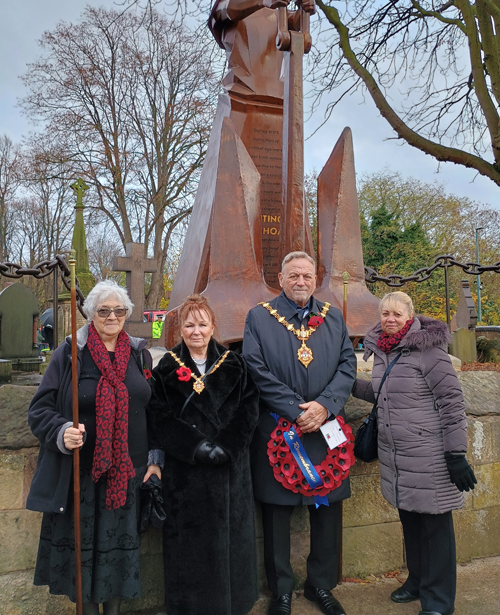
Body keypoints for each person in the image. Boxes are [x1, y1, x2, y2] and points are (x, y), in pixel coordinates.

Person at [27, 280, 161, 615]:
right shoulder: (72, 353)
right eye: (104, 310)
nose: (112, 316)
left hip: (127, 476)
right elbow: (39, 409)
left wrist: (155, 460)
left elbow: (155, 411)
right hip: (82, 476)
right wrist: (61, 431)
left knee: (117, 558)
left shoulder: (139, 354)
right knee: (83, 558)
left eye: (119, 310)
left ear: (127, 314)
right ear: (91, 314)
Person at [243, 251, 357, 615]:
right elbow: (255, 368)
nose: (301, 282)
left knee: (326, 513)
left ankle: (320, 586)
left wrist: (325, 405)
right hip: (279, 432)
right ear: (281, 278)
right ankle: (281, 592)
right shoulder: (259, 317)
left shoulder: (333, 317)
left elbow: (347, 364)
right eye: (294, 275)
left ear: (315, 279)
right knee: (276, 516)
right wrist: (295, 410)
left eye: (307, 276)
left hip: (324, 433)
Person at [353, 291, 476, 615]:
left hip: (430, 457)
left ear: (411, 317)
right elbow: (381, 392)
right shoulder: (384, 352)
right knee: (411, 523)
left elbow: (451, 402)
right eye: (384, 314)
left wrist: (456, 453)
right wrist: (348, 383)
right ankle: (418, 581)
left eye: (396, 314)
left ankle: (438, 601)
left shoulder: (429, 351)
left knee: (435, 530)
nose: (389, 319)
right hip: (398, 458)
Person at [148, 293, 260, 615]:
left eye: (202, 324)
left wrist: (226, 446)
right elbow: (159, 417)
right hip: (186, 477)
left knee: (231, 545)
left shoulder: (235, 364)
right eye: (189, 325)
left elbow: (249, 408)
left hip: (229, 472)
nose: (196, 331)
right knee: (190, 550)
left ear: (213, 326)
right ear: (180, 328)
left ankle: (234, 605)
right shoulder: (166, 369)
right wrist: (196, 447)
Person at [208, 0, 315, 101]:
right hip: (240, 94)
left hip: (277, 96)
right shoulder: (224, 6)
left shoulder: (276, 13)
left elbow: (295, 20)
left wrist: (305, 8)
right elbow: (227, 10)